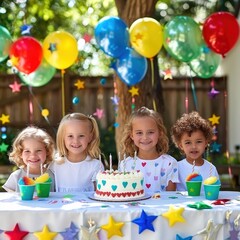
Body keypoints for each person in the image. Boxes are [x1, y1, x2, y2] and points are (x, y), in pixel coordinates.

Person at [119, 106, 179, 195]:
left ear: (160, 133)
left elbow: (171, 197)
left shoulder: (169, 163)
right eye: (139, 133)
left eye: (150, 132)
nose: (145, 137)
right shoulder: (125, 165)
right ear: (132, 135)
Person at [51, 112, 104, 192]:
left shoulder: (95, 166)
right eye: (70, 136)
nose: (76, 141)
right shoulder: (54, 165)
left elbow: (100, 194)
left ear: (90, 137)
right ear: (63, 138)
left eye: (81, 136)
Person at [171, 111, 219, 191]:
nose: (194, 147)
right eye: (188, 142)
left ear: (206, 143)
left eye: (199, 141)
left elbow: (215, 192)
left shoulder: (211, 169)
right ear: (181, 146)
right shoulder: (176, 168)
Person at [2, 126, 55, 192]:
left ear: (47, 151)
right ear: (20, 153)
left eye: (38, 150)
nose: (33, 156)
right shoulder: (16, 176)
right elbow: (10, 199)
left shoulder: (53, 176)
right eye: (27, 151)